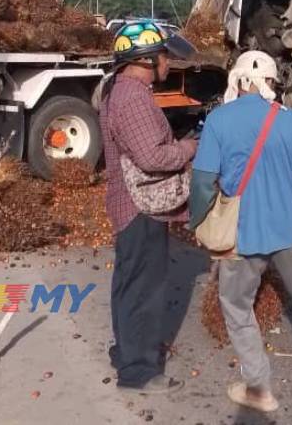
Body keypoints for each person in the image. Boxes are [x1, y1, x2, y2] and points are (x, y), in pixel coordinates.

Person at [187, 50, 292, 413]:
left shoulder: (219, 121)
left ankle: (258, 388)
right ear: (271, 83)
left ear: (238, 80)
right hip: (289, 228)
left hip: (241, 236)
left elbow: (204, 181)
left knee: (238, 305)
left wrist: (198, 222)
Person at [99, 20, 199, 393]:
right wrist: (189, 148)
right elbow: (152, 157)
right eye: (163, 57)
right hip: (140, 208)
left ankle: (125, 349)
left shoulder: (117, 89)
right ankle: (139, 370)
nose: (168, 64)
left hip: (125, 203)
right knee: (145, 286)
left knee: (127, 281)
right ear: (146, 59)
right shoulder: (134, 98)